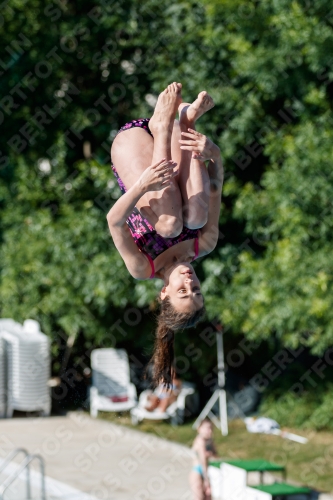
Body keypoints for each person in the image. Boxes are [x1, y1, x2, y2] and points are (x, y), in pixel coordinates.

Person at [107, 82, 224, 387]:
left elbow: (114, 221)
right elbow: (215, 189)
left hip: (132, 146)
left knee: (170, 225)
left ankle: (163, 126)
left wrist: (142, 186)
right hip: (173, 141)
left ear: (164, 293)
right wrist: (213, 153)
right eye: (197, 290)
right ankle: (185, 124)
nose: (190, 283)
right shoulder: (204, 244)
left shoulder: (142, 267)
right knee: (197, 218)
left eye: (183, 292)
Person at [190, 419, 218, 500]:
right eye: (207, 428)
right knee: (199, 497)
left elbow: (216, 456)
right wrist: (206, 480)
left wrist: (210, 454)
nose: (209, 431)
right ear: (199, 429)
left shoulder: (209, 441)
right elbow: (203, 461)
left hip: (206, 471)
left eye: (211, 428)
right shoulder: (200, 441)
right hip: (198, 472)